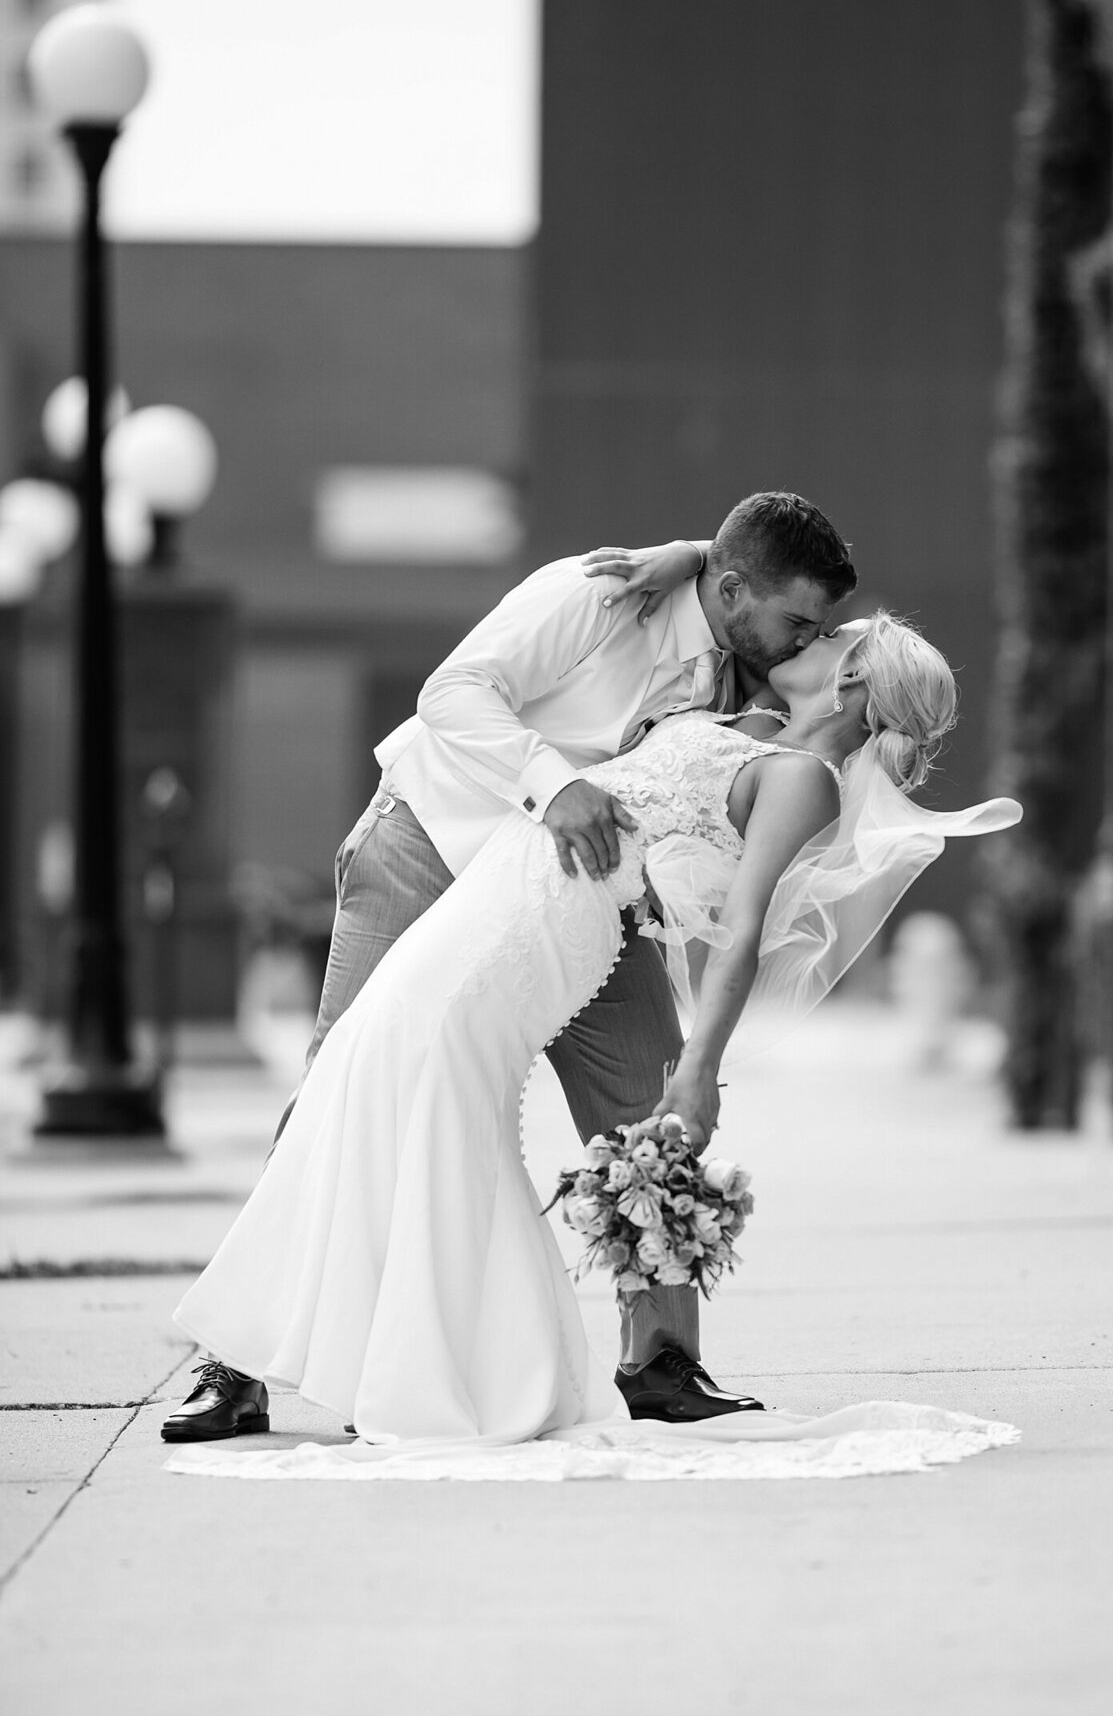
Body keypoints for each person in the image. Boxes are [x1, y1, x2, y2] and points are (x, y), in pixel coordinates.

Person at [167, 610, 1020, 1464]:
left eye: (831, 638)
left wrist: (699, 1068)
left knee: (421, 1085)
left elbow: (741, 935)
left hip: (530, 933)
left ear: (852, 681)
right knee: (383, 1085)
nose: (808, 639)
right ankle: (443, 1363)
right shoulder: (744, 721)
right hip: (492, 896)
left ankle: (428, 1373)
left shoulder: (803, 780)